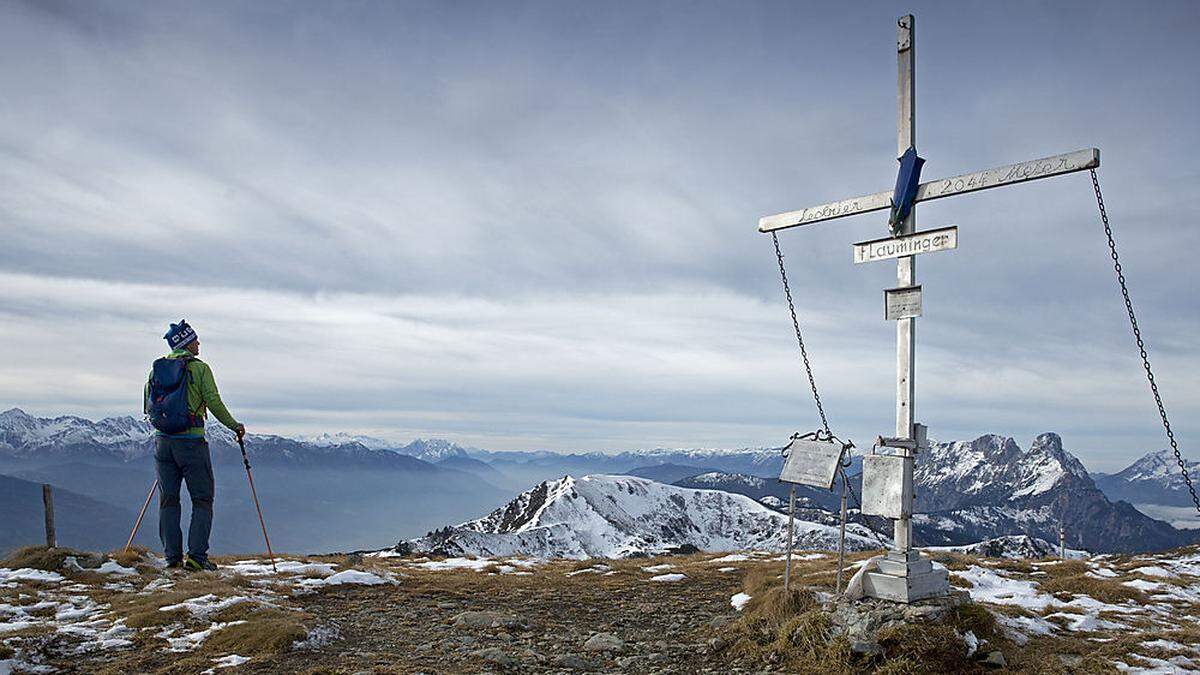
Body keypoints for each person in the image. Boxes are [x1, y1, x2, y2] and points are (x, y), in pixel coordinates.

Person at [145, 320, 244, 571]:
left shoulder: (156, 370)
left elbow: (148, 404)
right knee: (202, 499)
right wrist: (234, 426)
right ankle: (197, 558)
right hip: (191, 441)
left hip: (162, 443)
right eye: (195, 339)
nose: (199, 343)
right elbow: (214, 402)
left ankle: (172, 557)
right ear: (186, 342)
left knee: (168, 500)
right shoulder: (199, 369)